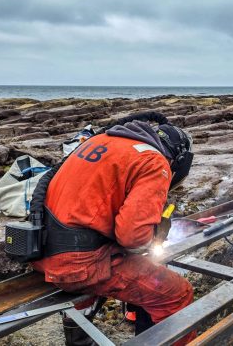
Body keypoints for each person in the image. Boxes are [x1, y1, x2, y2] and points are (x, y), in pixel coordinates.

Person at [32, 112, 196, 345]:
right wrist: (155, 233)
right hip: (78, 266)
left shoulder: (100, 141)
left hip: (42, 252)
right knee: (176, 294)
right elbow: (133, 236)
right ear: (179, 159)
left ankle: (79, 336)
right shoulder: (154, 161)